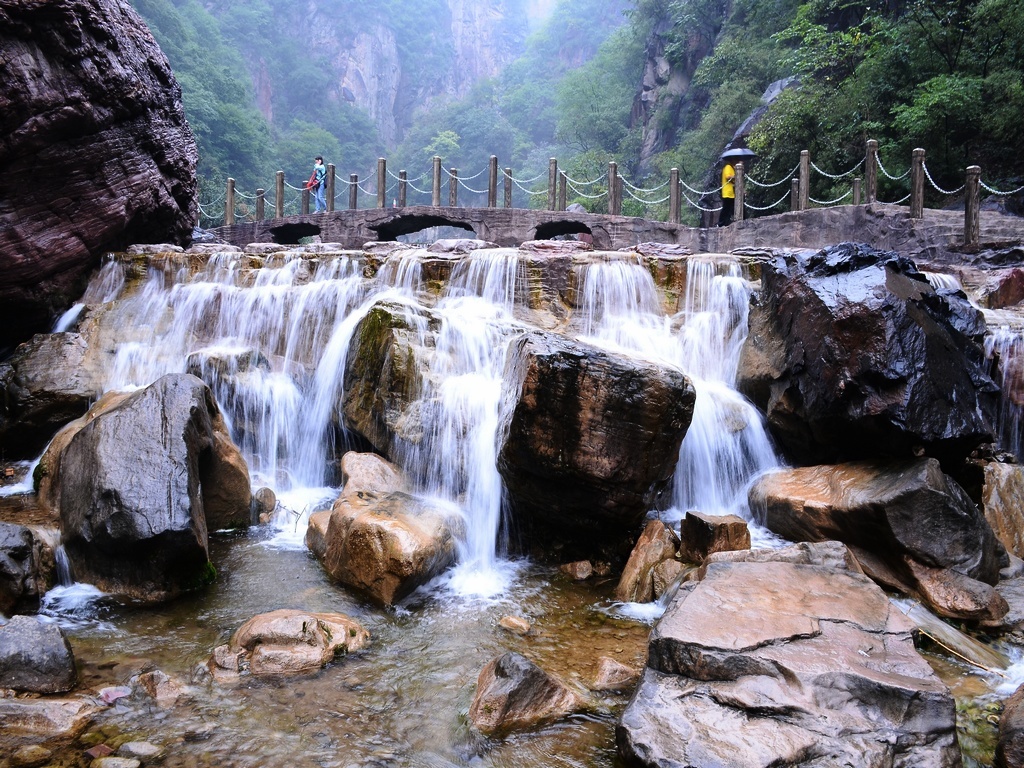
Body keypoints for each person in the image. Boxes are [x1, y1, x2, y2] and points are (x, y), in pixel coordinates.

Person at [719, 159, 736, 226]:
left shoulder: (732, 168)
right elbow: (728, 177)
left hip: (732, 193)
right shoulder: (728, 167)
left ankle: (727, 223)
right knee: (726, 208)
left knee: (730, 208)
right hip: (728, 192)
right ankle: (721, 223)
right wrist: (736, 176)